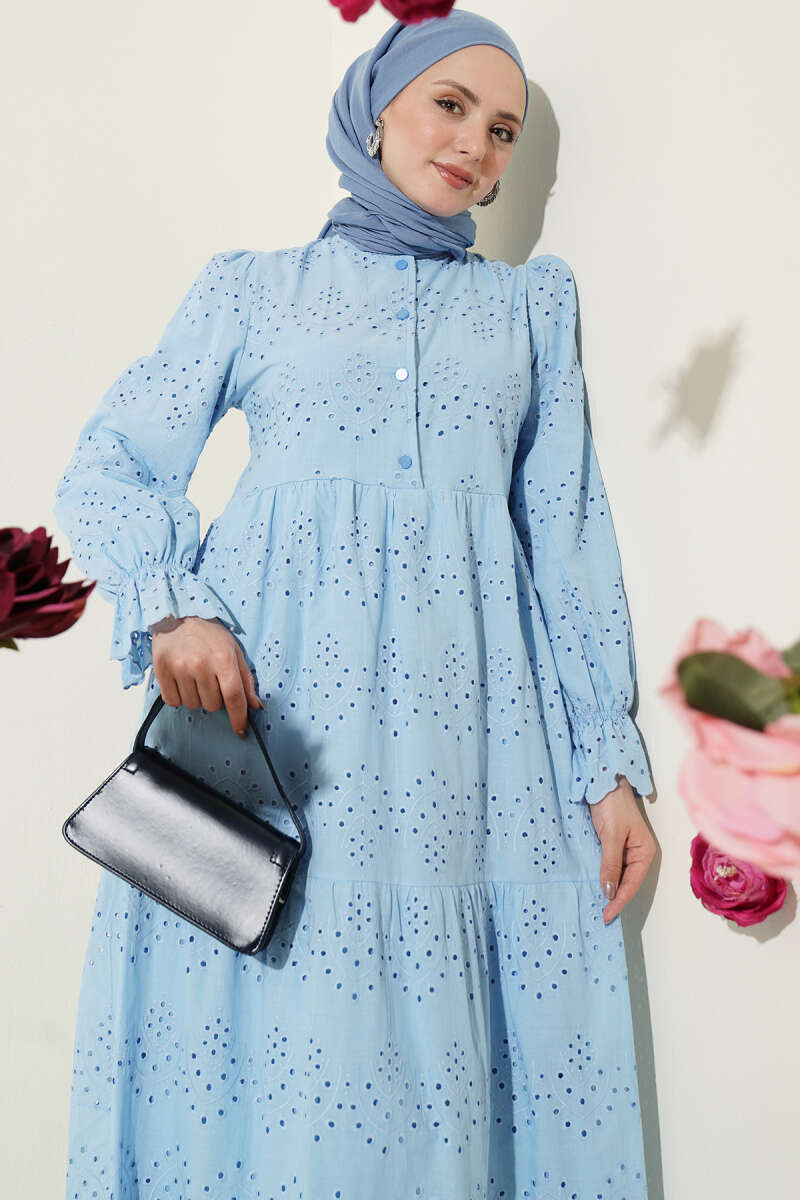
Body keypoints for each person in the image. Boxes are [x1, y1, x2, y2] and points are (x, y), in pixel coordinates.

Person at [52, 9, 657, 1198]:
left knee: (446, 1032)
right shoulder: (253, 289)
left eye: (502, 131)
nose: (473, 145)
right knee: (272, 989)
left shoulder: (527, 310)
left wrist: (606, 761)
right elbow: (109, 463)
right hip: (276, 711)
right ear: (373, 110)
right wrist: (174, 606)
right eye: (448, 106)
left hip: (469, 725)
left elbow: (565, 534)